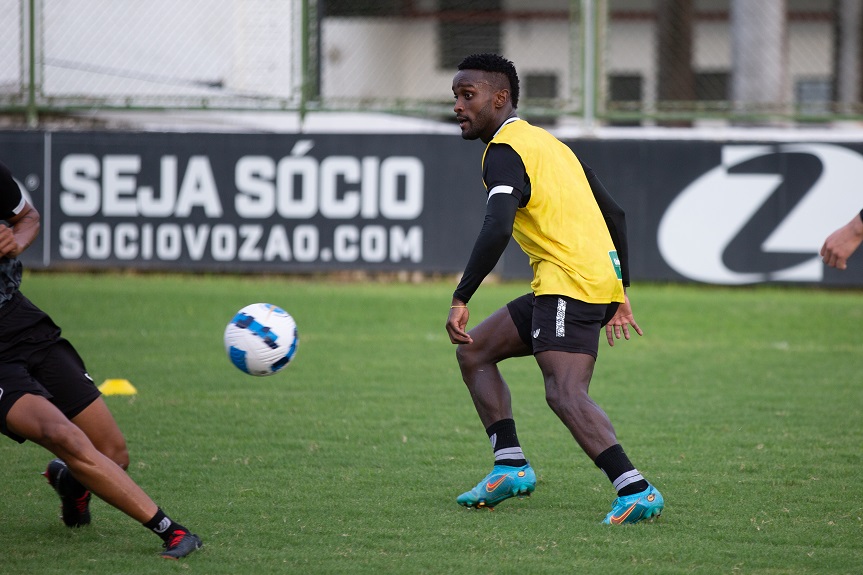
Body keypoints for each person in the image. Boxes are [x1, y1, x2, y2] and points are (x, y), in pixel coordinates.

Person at [446, 53, 663, 524]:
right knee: (475, 352)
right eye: (456, 97)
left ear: (500, 98)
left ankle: (636, 489)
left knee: (564, 392)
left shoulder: (505, 151)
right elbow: (616, 214)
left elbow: (498, 224)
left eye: (469, 96)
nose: (458, 106)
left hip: (570, 283)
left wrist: (462, 295)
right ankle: (511, 466)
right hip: (581, 281)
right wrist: (619, 287)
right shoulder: (550, 144)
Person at [0, 160, 202, 559]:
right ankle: (171, 531)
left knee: (113, 454)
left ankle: (70, 482)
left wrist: (16, 240)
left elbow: (28, 216)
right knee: (63, 435)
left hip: (23, 323)